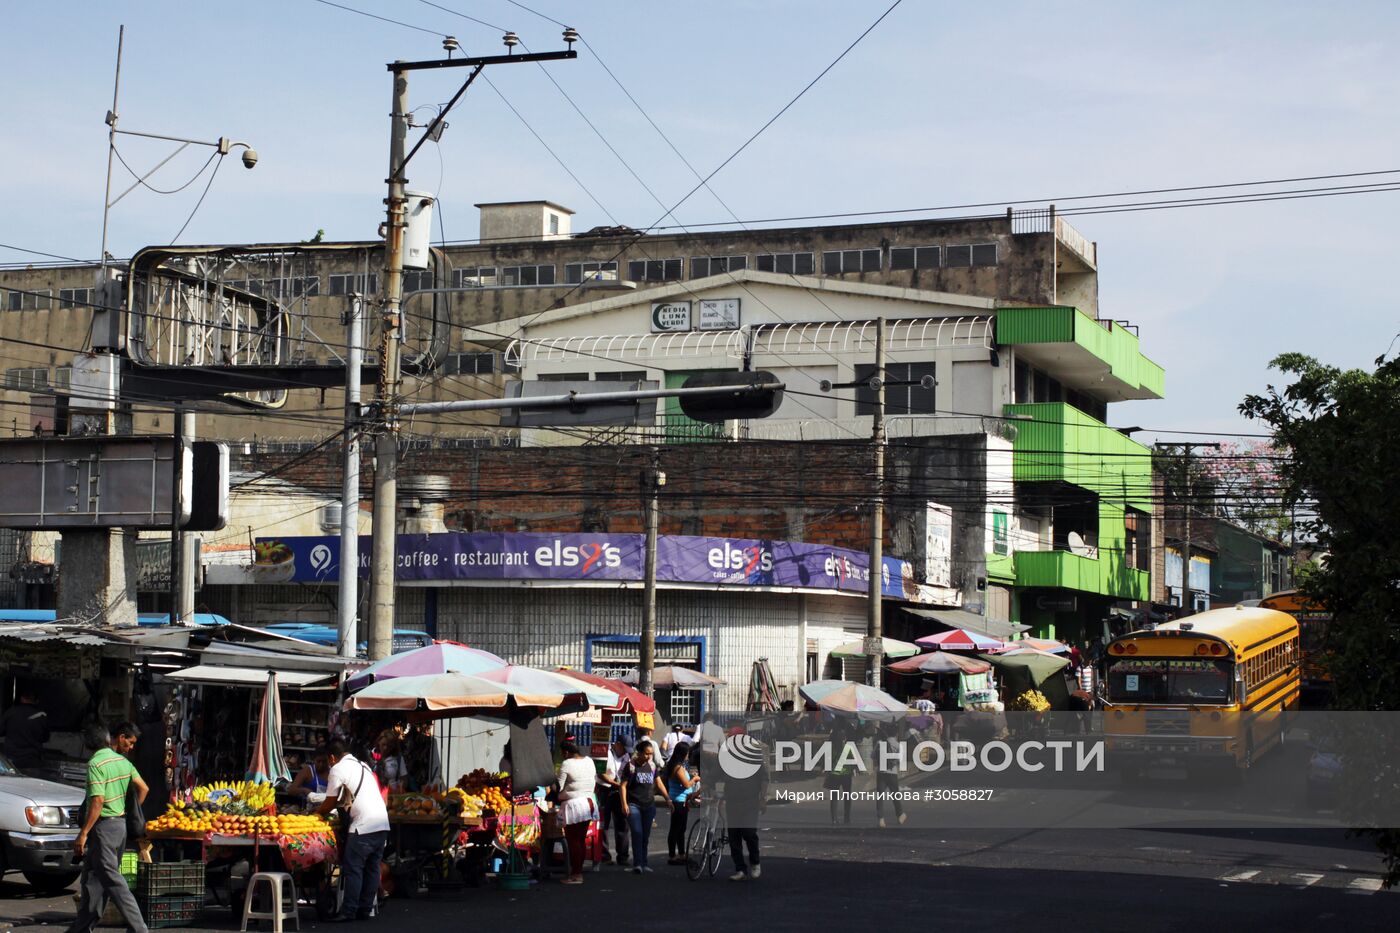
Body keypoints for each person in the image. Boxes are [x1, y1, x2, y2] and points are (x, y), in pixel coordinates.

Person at [68, 722, 149, 933]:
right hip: (119, 828)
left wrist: (83, 833)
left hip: (103, 828)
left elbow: (97, 802)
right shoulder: (122, 762)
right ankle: (81, 929)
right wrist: (128, 809)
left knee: (113, 881)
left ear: (88, 745)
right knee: (92, 880)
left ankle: (140, 929)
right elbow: (144, 788)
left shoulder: (96, 764)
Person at [316, 738, 390, 922]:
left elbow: (330, 801)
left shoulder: (338, 768)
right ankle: (364, 909)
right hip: (382, 823)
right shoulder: (363, 765)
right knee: (372, 868)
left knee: (353, 868)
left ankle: (349, 911)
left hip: (363, 826)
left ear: (332, 757)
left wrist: (317, 813)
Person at [722, 727, 767, 881]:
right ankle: (740, 869)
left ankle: (755, 862)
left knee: (748, 833)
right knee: (734, 838)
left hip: (750, 802)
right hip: (732, 802)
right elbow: (716, 774)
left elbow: (764, 778)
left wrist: (763, 799)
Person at [618, 739, 669, 873]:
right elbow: (622, 786)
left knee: (645, 835)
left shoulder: (652, 766)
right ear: (639, 753)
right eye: (646, 754)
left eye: (651, 754)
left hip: (649, 805)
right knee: (637, 833)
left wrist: (668, 799)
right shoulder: (630, 766)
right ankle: (637, 864)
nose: (649, 756)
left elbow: (659, 783)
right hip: (634, 804)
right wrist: (624, 804)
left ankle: (644, 863)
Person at [555, 740, 597, 885]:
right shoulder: (589, 761)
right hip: (589, 803)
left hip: (574, 805)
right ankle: (577, 872)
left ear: (566, 752)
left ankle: (576, 875)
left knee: (573, 840)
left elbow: (558, 787)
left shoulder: (567, 764)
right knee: (580, 839)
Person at [662, 741, 697, 865]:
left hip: (681, 800)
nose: (688, 755)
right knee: (676, 829)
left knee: (680, 829)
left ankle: (681, 854)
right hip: (678, 801)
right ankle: (673, 855)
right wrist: (695, 779)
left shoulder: (676, 765)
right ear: (683, 753)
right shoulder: (677, 767)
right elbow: (687, 784)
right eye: (687, 753)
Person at [1, 686, 50, 773]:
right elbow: (45, 738)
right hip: (32, 760)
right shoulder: (42, 715)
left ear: (22, 698)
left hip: (12, 760)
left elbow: (1, 731)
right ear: (37, 701)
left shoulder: (11, 712)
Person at [599, 737, 632, 866]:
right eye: (623, 749)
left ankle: (623, 856)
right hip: (605, 790)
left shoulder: (627, 756)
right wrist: (615, 783)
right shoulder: (604, 752)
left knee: (623, 824)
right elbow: (600, 772)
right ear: (617, 744)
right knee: (604, 824)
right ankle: (604, 855)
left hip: (620, 791)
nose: (625, 752)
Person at [874, 721, 907, 828]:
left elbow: (872, 755)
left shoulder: (879, 743)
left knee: (880, 796)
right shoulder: (898, 745)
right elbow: (900, 759)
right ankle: (900, 815)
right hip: (892, 773)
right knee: (895, 795)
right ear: (896, 733)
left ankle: (881, 819)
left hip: (881, 772)